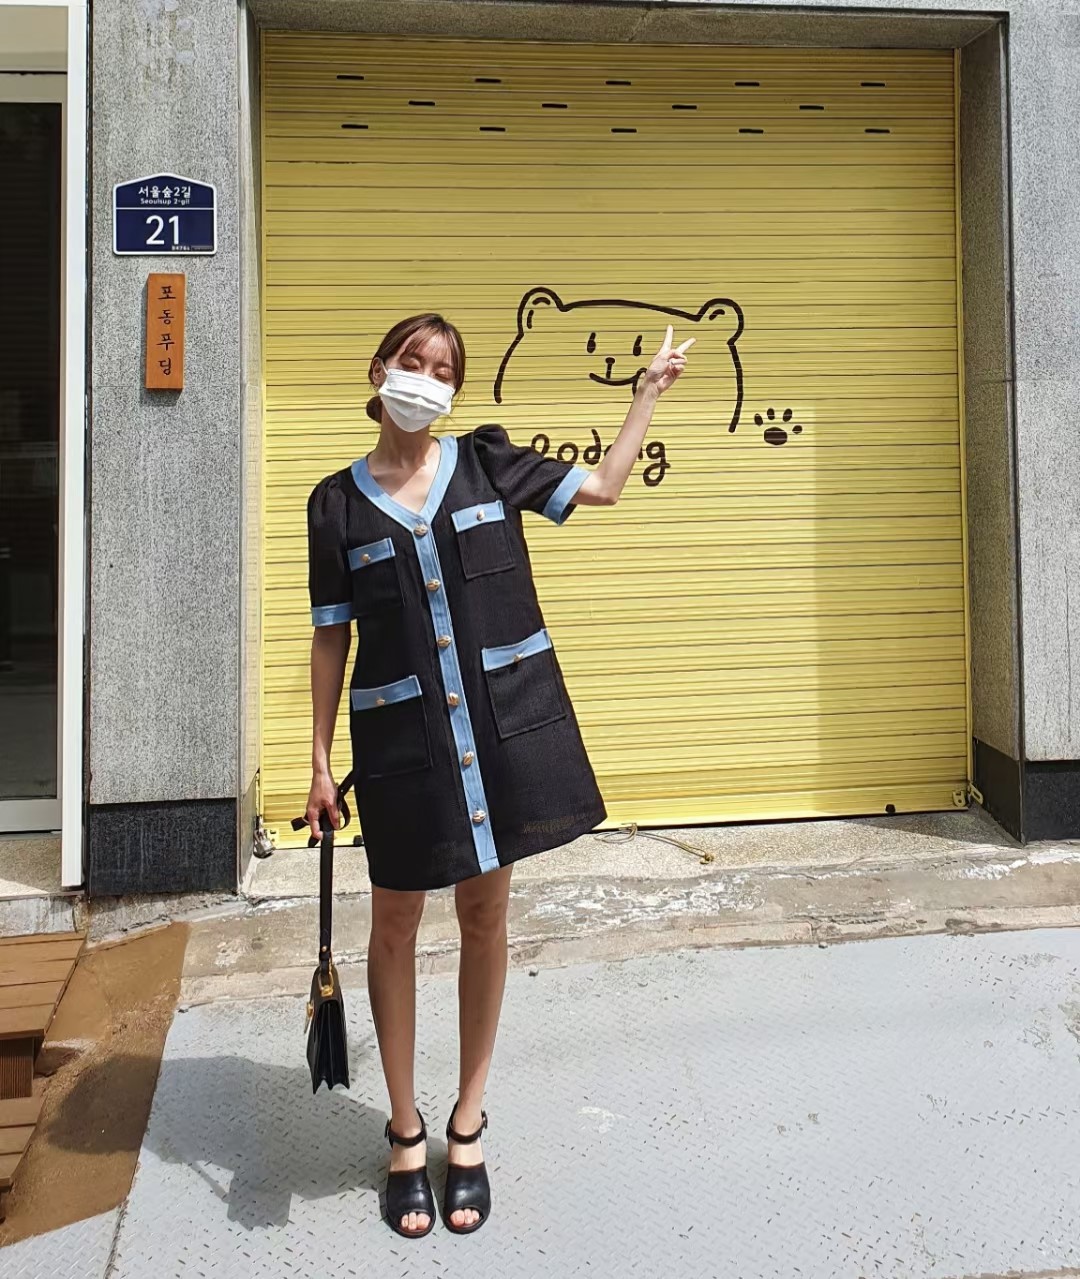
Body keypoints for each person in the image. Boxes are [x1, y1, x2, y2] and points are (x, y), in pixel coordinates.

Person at [305, 312, 692, 1238]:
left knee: (485, 918)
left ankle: (467, 1121)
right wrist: (316, 759)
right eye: (413, 361)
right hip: (401, 748)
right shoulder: (335, 504)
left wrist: (644, 397)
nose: (427, 378)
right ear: (379, 370)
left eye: (444, 369)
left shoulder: (487, 464)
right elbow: (331, 635)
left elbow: (603, 487)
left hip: (500, 736)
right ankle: (405, 1130)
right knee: (394, 926)